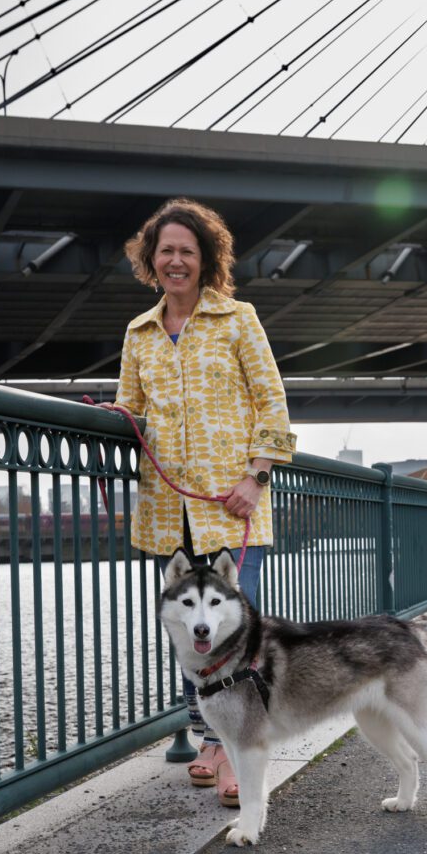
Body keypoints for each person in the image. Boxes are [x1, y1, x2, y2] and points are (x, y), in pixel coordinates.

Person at [116, 198, 296, 806]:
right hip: (168, 508)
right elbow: (130, 410)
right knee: (189, 635)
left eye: (186, 251)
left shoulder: (238, 319)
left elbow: (272, 405)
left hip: (231, 504)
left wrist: (257, 476)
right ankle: (209, 738)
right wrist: (113, 423)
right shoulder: (139, 333)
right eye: (165, 250)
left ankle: (236, 751)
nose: (175, 261)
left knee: (231, 633)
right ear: (151, 259)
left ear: (205, 259)